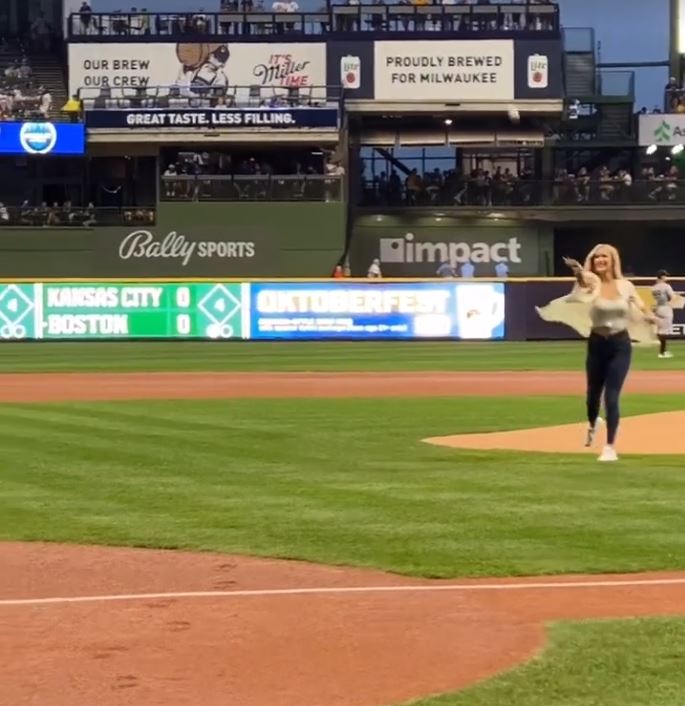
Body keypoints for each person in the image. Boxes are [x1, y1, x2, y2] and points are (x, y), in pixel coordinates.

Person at [536, 244, 657, 462]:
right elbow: (584, 282)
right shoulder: (593, 282)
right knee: (592, 396)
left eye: (605, 256)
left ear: (613, 260)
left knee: (611, 397)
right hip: (597, 343)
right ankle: (592, 423)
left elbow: (640, 304)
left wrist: (649, 316)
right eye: (597, 256)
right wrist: (578, 270)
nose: (601, 259)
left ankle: (610, 447)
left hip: (620, 344)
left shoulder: (626, 285)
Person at [652, 270, 675, 359]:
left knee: (660, 330)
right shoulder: (666, 286)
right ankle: (662, 352)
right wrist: (672, 304)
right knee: (664, 331)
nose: (666, 277)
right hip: (665, 308)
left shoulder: (653, 287)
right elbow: (673, 297)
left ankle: (663, 350)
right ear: (662, 277)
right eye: (665, 276)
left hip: (657, 308)